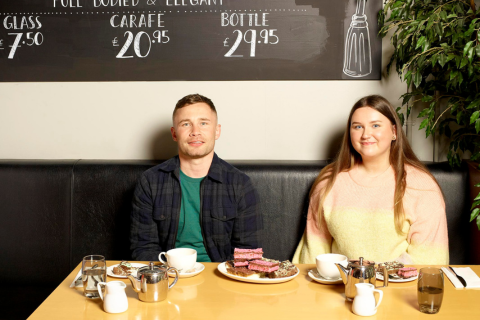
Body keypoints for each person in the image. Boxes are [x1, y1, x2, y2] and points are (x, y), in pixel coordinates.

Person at [293, 95, 449, 265]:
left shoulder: (422, 187)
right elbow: (314, 253)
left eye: (375, 125)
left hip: (398, 288)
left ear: (394, 132)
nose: (366, 134)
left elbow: (430, 262)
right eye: (358, 126)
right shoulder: (328, 182)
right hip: (340, 287)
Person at [130, 94, 263, 262]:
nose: (195, 132)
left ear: (217, 131)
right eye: (186, 124)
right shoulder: (150, 182)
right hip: (169, 276)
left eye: (203, 123)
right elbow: (143, 248)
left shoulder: (240, 184)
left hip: (221, 277)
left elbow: (248, 252)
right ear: (174, 134)